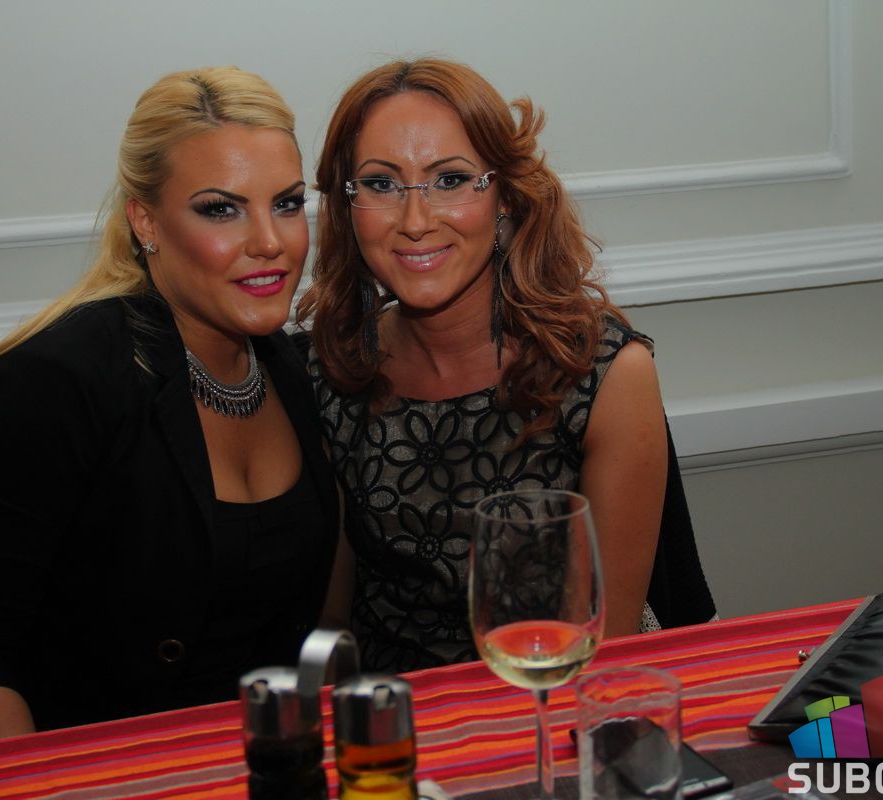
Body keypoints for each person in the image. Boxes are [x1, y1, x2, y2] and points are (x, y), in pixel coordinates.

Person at [0, 66, 339, 746]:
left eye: (286, 203)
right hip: (82, 768)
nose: (271, 241)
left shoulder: (290, 368)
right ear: (146, 221)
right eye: (220, 209)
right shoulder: (55, 380)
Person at [298, 58, 715, 673]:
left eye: (451, 179)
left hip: (548, 700)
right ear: (348, 204)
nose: (415, 222)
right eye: (382, 184)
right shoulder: (329, 368)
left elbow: (607, 650)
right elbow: (329, 630)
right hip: (389, 712)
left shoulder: (602, 374)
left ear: (504, 197)